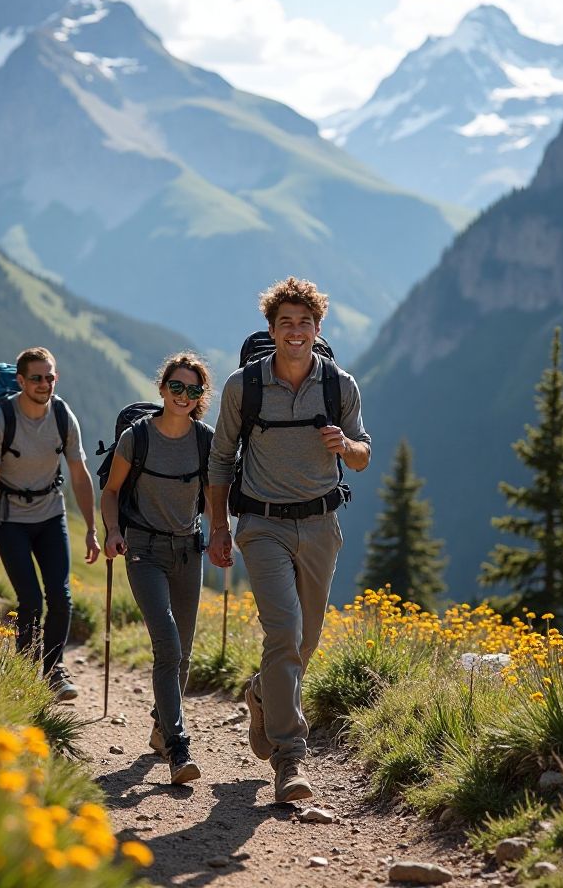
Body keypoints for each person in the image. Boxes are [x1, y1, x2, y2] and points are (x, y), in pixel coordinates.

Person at [207, 277, 371, 803]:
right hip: (263, 526)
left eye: (304, 323)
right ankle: (289, 759)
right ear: (272, 330)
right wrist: (217, 529)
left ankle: (261, 693)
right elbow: (219, 461)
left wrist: (345, 444)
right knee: (284, 633)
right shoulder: (243, 387)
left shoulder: (339, 385)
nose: (295, 331)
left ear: (317, 329)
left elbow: (364, 455)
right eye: (285, 323)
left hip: (322, 525)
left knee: (305, 642)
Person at [101, 353, 214, 786]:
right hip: (143, 549)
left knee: (182, 653)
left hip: (188, 550)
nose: (184, 395)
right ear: (162, 389)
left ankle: (159, 727)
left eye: (194, 390)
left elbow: (212, 497)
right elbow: (111, 491)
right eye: (177, 387)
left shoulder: (205, 441)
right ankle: (178, 746)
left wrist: (221, 533)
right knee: (167, 646)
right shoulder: (137, 438)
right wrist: (112, 530)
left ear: (201, 397)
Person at [0, 346, 101, 699]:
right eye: (37, 378)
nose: (45, 384)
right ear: (21, 381)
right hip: (9, 519)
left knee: (61, 597)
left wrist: (92, 530)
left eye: (50, 377)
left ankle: (53, 669)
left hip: (50, 515)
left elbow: (79, 474)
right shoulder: (1, 419)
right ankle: (25, 670)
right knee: (30, 599)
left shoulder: (62, 416)